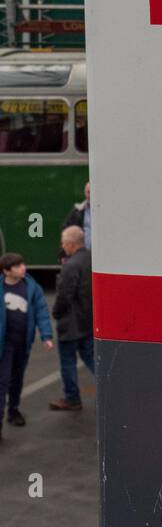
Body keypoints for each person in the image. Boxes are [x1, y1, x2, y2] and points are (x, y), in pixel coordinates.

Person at [0, 252, 53, 437]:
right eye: (17, 266)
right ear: (7, 271)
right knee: (2, 381)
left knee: (17, 378)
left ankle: (13, 410)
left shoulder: (31, 287)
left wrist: (46, 335)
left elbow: (41, 312)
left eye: (23, 264)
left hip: (22, 343)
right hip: (4, 344)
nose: (23, 268)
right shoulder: (1, 287)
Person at [49, 225, 93, 412]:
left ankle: (72, 398)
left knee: (68, 362)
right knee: (91, 358)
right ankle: (114, 386)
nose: (62, 246)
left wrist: (56, 313)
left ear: (70, 244)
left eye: (63, 243)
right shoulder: (91, 259)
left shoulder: (71, 266)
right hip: (87, 322)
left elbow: (64, 296)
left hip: (70, 324)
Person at [64, 180, 92, 254]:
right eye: (88, 192)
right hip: (83, 254)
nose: (90, 195)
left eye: (92, 191)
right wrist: (63, 253)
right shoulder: (78, 211)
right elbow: (66, 232)